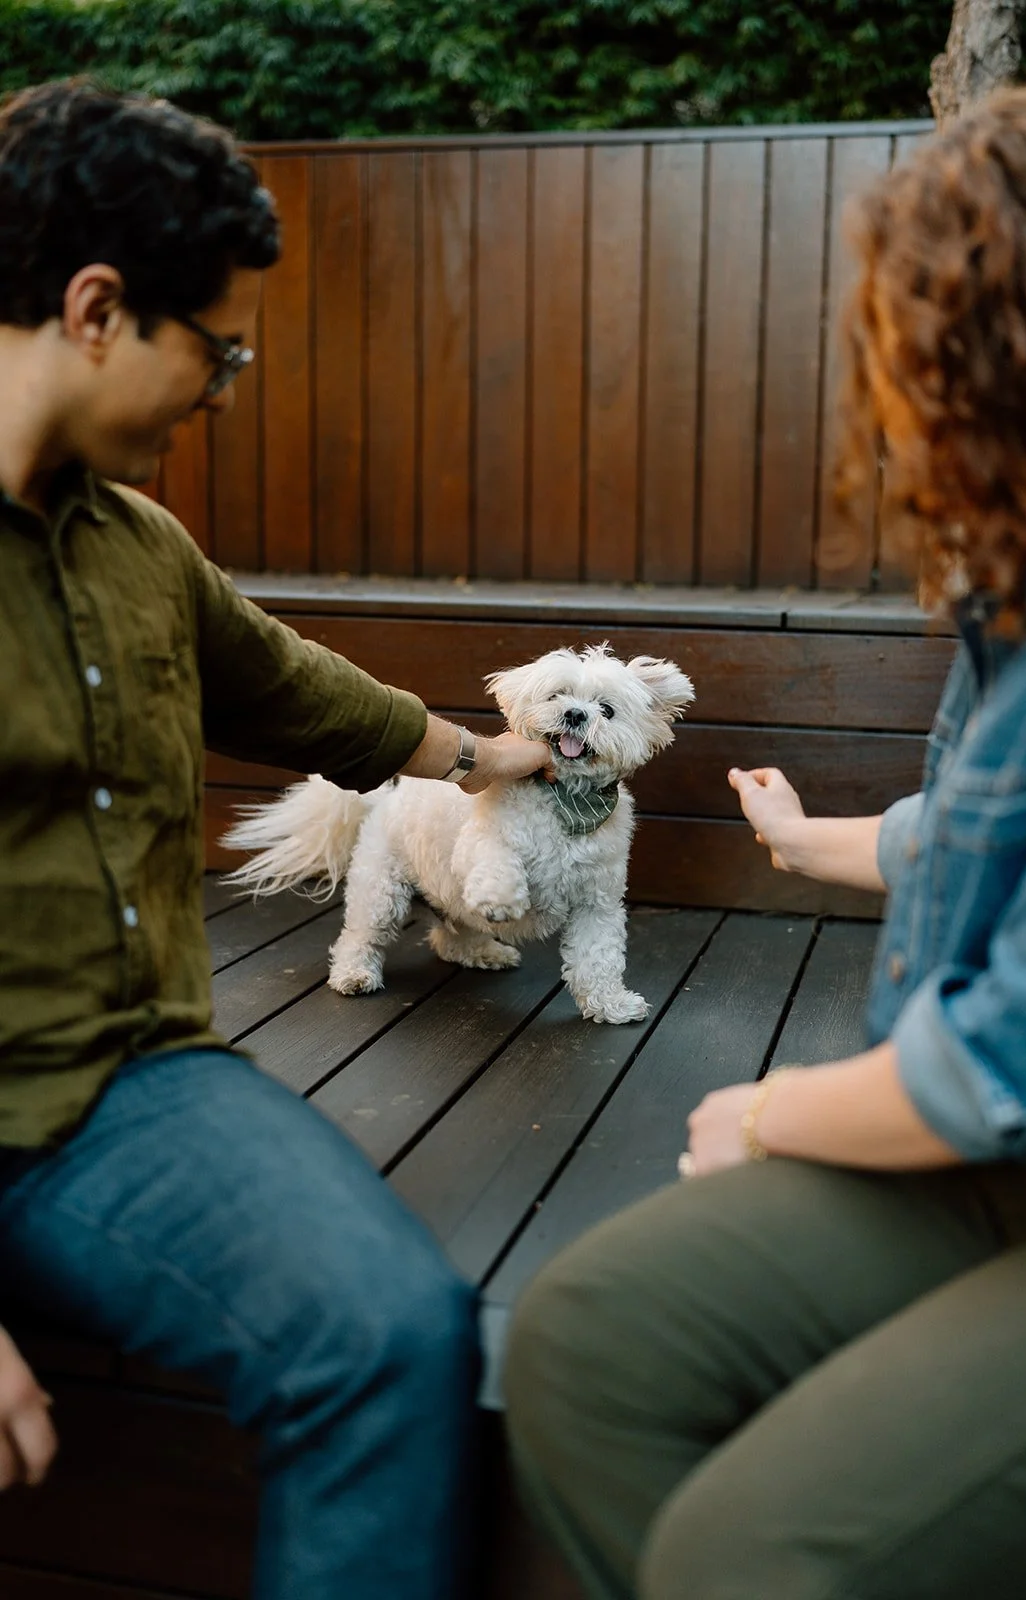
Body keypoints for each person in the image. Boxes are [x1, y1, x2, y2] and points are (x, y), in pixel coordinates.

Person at [505, 80, 1026, 1600]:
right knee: (581, 1342)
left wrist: (779, 1114)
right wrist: (818, 839)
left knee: (746, 1552)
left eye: (899, 345)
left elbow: (1020, 1059)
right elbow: (1000, 834)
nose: (882, 399)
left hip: (1014, 1129)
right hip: (998, 1152)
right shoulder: (1022, 589)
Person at [0, 78, 552, 1596]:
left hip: (125, 1093)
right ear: (98, 307)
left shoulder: (140, 547)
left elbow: (305, 697)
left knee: (391, 1333)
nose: (229, 386)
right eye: (219, 346)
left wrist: (498, 755)